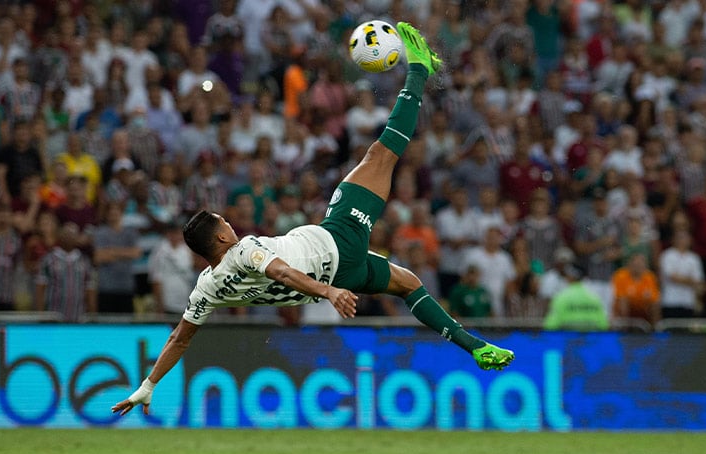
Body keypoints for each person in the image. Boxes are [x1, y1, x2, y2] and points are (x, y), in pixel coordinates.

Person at [113, 24, 514, 417]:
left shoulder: (208, 288)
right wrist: (327, 293)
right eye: (224, 223)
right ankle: (420, 69)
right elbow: (284, 272)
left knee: (409, 284)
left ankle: (474, 346)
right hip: (338, 242)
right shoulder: (245, 250)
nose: (230, 225)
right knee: (380, 155)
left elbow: (179, 338)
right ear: (220, 237)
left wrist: (147, 386)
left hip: (344, 273)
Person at [544, 263, 608, 331]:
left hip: (567, 340)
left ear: (570, 277)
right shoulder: (594, 297)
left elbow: (550, 325)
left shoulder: (561, 297)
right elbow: (604, 325)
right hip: (593, 340)